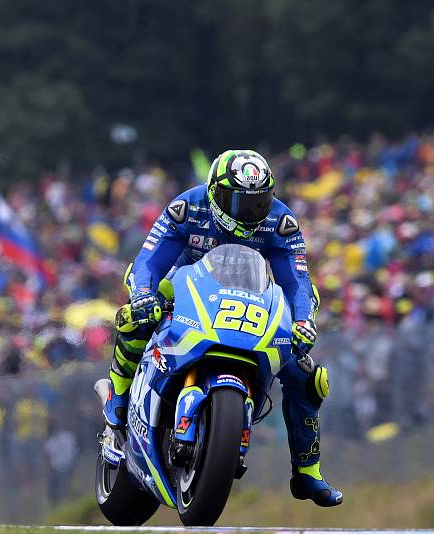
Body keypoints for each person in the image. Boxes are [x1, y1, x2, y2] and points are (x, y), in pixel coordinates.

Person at [104, 149, 342, 507]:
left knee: (308, 377)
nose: (252, 213)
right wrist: (144, 296)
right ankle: (118, 400)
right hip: (181, 287)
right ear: (215, 192)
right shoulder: (188, 208)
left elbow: (297, 282)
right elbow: (148, 262)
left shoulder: (280, 222)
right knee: (135, 318)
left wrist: (304, 321)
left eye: (260, 202)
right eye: (241, 203)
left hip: (248, 302)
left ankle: (308, 472)